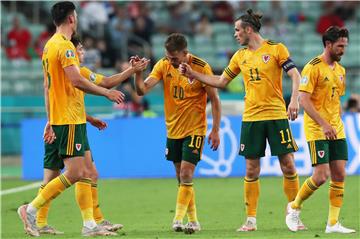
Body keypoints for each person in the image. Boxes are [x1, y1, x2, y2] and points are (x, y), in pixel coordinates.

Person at [179, 9, 304, 232]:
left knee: (288, 165)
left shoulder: (276, 48)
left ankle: (293, 214)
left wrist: (294, 100)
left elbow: (295, 74)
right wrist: (193, 75)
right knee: (251, 170)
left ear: (248, 29)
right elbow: (220, 81)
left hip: (276, 115)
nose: (235, 34)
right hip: (251, 118)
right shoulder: (239, 56)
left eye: (237, 30)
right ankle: (251, 220)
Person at [17, 2, 124, 237]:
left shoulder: (49, 46)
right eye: (75, 15)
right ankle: (31, 209)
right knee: (75, 172)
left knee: (87, 172)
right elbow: (76, 80)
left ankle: (90, 225)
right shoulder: (64, 47)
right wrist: (106, 93)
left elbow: (48, 87)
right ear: (71, 19)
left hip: (66, 118)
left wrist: (50, 118)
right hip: (68, 119)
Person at [37, 35, 148, 235]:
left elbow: (106, 81)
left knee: (88, 173)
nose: (83, 53)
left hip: (72, 123)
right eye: (79, 49)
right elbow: (59, 98)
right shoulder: (69, 73)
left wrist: (132, 70)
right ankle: (34, 213)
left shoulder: (81, 72)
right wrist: (51, 121)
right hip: (63, 125)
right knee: (64, 175)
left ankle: (93, 221)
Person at [133, 33, 221, 234]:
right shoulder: (163, 65)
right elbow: (142, 90)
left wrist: (215, 129)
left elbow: (214, 99)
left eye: (174, 58)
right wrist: (137, 73)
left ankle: (178, 219)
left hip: (195, 128)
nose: (170, 61)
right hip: (173, 129)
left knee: (186, 173)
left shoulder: (200, 66)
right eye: (167, 56)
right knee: (181, 179)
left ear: (185, 54)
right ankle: (194, 221)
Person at [286, 26, 356, 234]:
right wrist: (324, 124)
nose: (343, 50)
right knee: (321, 175)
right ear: (328, 44)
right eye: (340, 46)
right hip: (318, 128)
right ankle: (294, 207)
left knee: (340, 174)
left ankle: (333, 223)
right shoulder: (313, 67)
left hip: (336, 128)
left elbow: (335, 101)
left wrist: (336, 123)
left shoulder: (341, 71)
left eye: (345, 46)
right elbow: (304, 99)